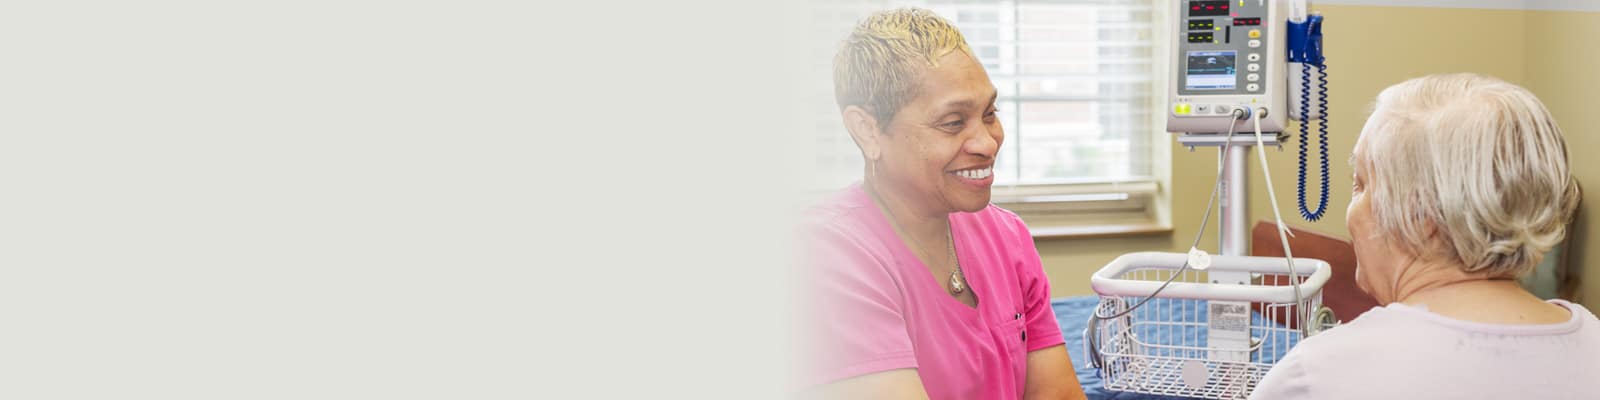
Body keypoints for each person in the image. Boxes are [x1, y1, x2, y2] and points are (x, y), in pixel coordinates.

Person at [1249, 73, 1600, 399]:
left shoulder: (1317, 376)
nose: (1352, 210)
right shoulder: (1592, 344)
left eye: (1361, 185)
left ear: (1421, 216)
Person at [796, 8, 1086, 400]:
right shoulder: (827, 258)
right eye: (952, 123)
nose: (987, 143)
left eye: (989, 114)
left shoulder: (1007, 236)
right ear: (867, 131)